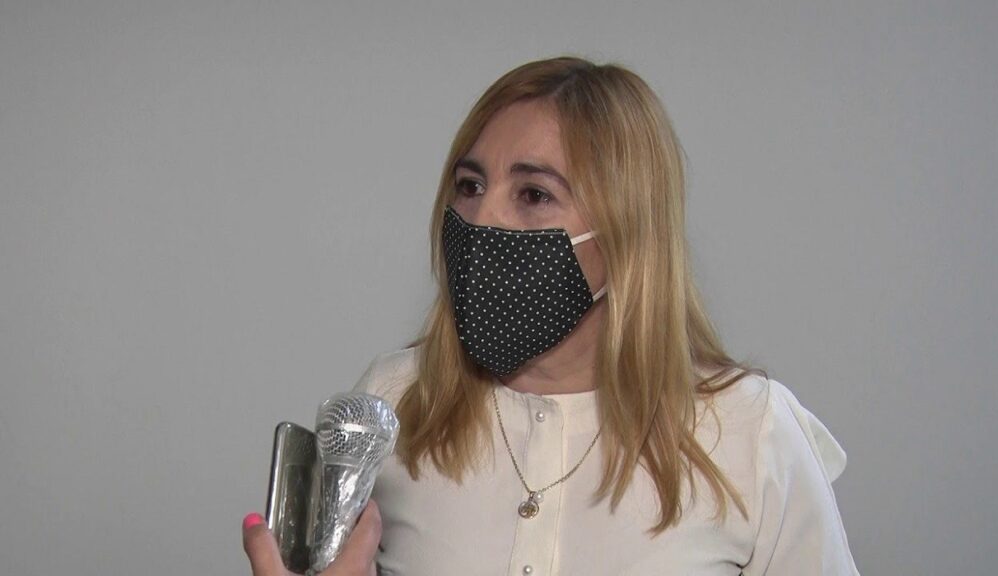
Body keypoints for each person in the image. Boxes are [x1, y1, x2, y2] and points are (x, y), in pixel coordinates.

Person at [243, 56, 861, 575]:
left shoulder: (750, 431)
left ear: (626, 233)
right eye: (469, 185)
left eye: (534, 194)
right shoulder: (394, 401)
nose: (482, 220)